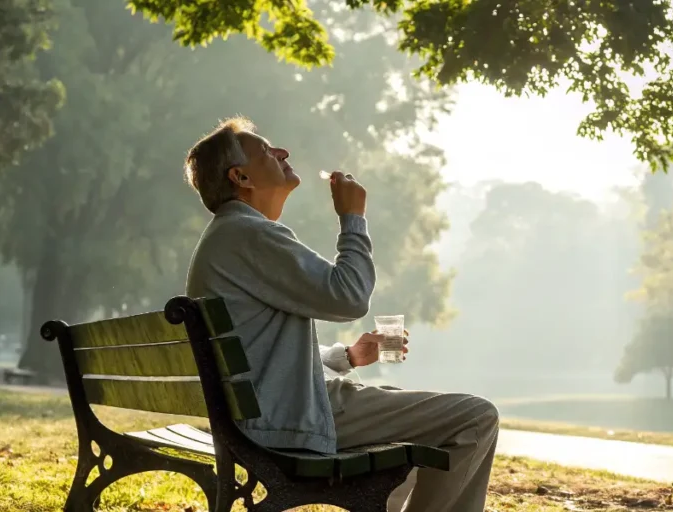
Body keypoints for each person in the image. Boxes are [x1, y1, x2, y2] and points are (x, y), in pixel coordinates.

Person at [182, 117, 498, 512]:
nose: (282, 153)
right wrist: (353, 218)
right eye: (265, 150)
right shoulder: (251, 234)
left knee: (413, 419)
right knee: (475, 417)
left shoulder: (230, 237)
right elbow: (350, 297)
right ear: (241, 176)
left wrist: (345, 358)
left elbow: (256, 354)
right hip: (285, 423)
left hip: (265, 415)